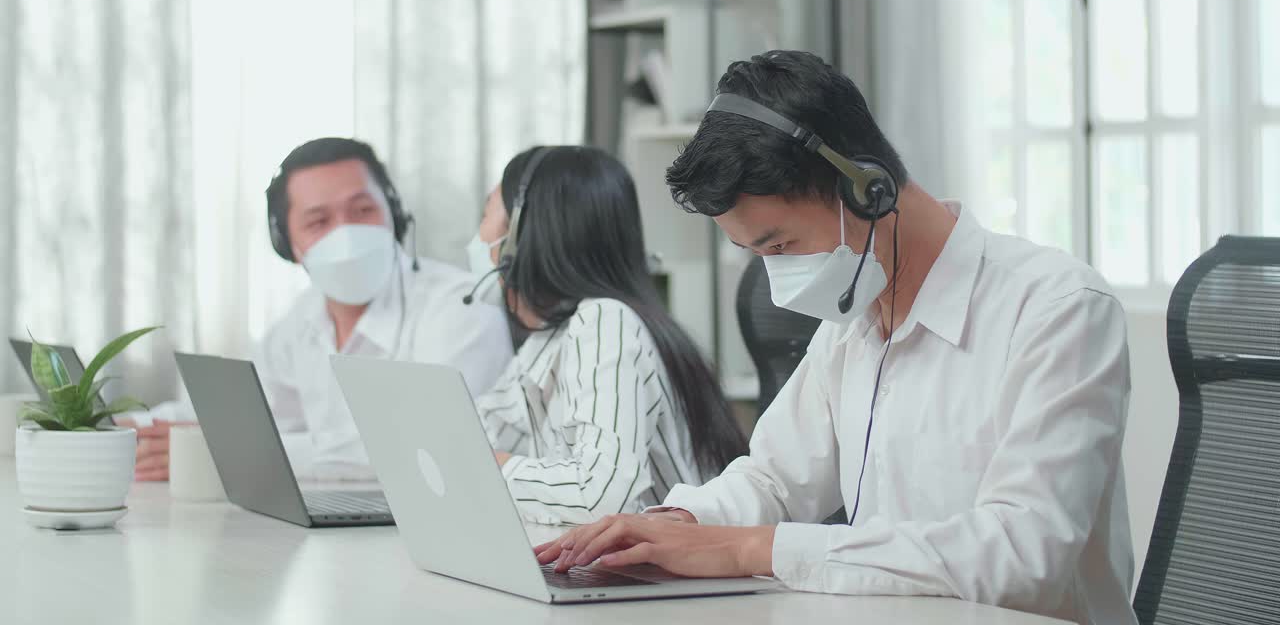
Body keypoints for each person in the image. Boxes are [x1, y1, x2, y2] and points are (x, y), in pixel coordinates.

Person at [534, 52, 1137, 625]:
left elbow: (1021, 555)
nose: (776, 280)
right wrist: (675, 524)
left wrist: (752, 550)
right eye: (756, 255)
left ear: (867, 191)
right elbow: (773, 478)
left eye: (779, 246)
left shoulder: (1057, 309)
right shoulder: (853, 324)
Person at [129, 137, 514, 481]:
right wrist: (129, 429)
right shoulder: (302, 319)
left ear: (394, 215)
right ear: (289, 245)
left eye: (363, 210)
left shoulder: (461, 307)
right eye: (319, 221)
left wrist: (235, 455)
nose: (346, 233)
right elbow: (253, 416)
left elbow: (433, 447)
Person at [464, 146, 748, 525]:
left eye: (486, 216)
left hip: (663, 578)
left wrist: (493, 469)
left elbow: (597, 496)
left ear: (519, 237)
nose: (478, 235)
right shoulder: (552, 338)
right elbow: (480, 432)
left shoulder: (606, 322)